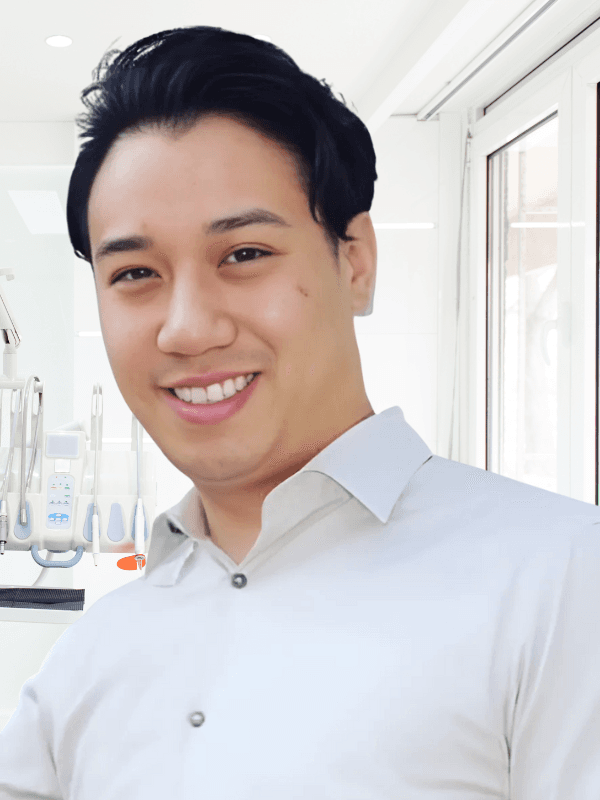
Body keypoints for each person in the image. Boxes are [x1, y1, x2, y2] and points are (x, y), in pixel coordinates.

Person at [1, 24, 600, 800]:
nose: (187, 327)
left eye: (244, 255)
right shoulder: (85, 663)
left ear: (355, 260)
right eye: (137, 272)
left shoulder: (560, 581)